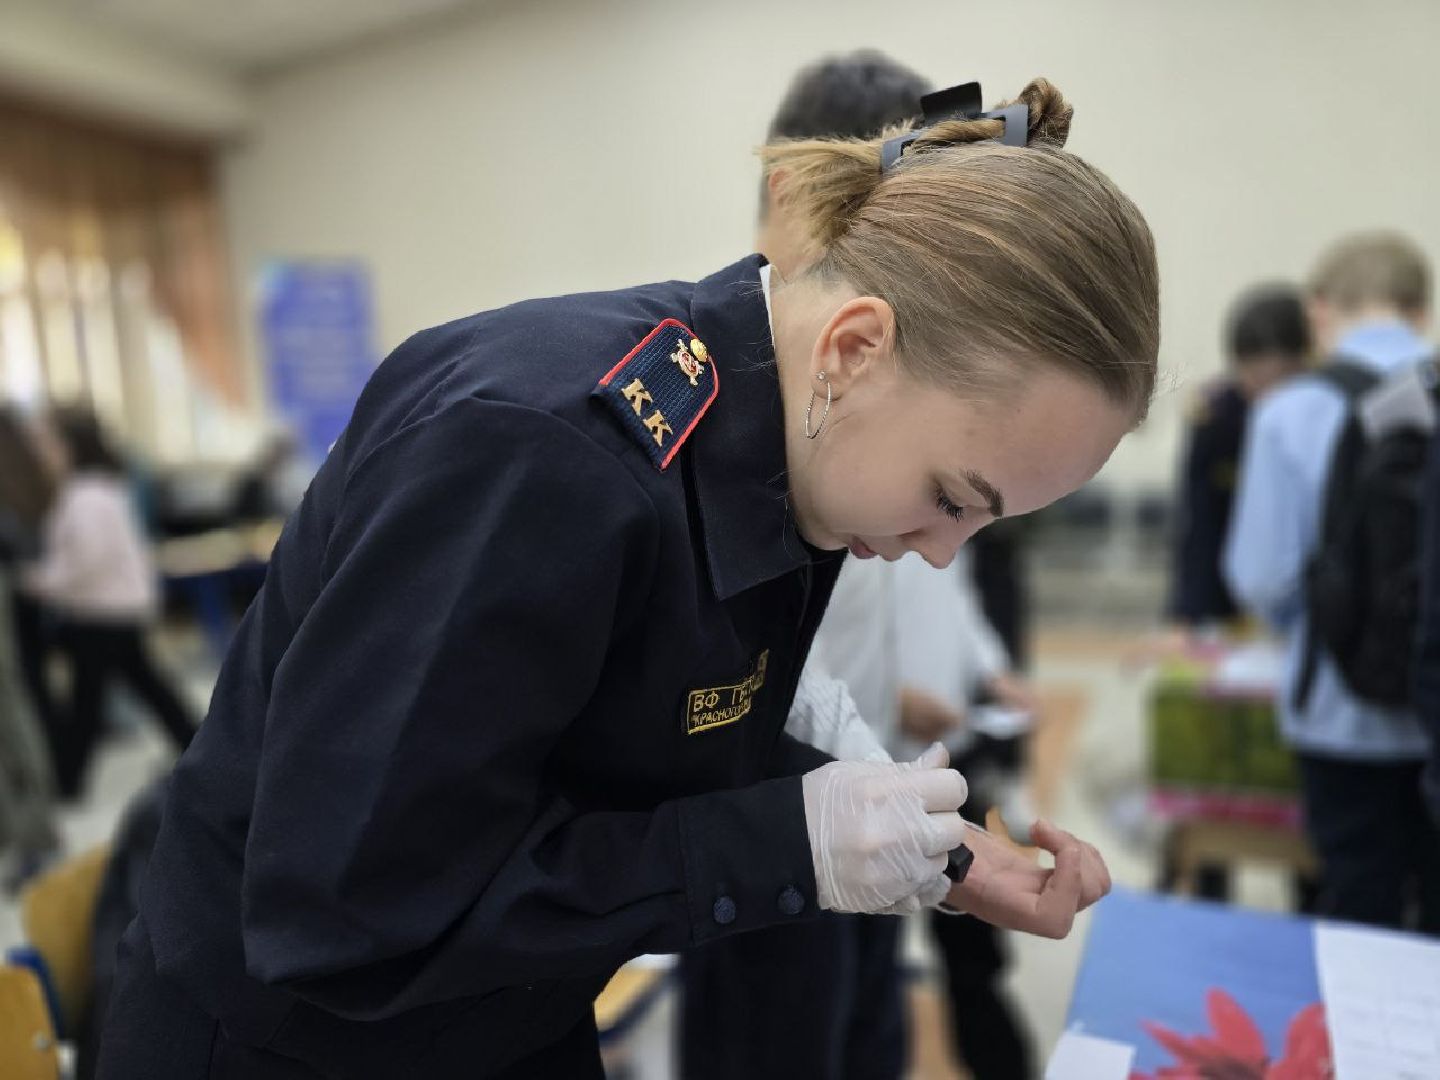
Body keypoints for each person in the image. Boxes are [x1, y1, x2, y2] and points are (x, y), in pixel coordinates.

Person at [99, 74, 1153, 1079]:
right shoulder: (537, 459)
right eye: (953, 495)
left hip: (502, 1017)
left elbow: (652, 724)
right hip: (292, 1045)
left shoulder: (778, 446)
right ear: (856, 347)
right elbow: (350, 910)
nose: (939, 551)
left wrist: (942, 854)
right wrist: (789, 845)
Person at [1226, 232, 1440, 933]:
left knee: (1358, 913)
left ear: (1320, 311)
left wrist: (1336, 624)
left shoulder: (1288, 411)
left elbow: (1259, 575)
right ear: (1422, 310)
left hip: (1337, 715)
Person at [25, 407, 197, 799]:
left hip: (99, 613)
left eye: (47, 442)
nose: (41, 451)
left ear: (70, 445)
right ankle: (194, 744)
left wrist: (42, 582)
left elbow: (88, 559)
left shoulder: (84, 495)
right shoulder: (102, 489)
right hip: (114, 609)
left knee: (89, 701)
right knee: (146, 687)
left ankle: (69, 782)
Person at [1170, 285, 1310, 633]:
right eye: (1254, 378)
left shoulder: (1322, 419)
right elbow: (1198, 523)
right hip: (1226, 598)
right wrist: (1187, 614)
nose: (1267, 394)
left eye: (1280, 380)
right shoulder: (1217, 418)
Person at [0, 405, 61, 891]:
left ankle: (33, 833)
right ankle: (30, 829)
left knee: (10, 715)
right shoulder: (27, 469)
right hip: (19, 596)